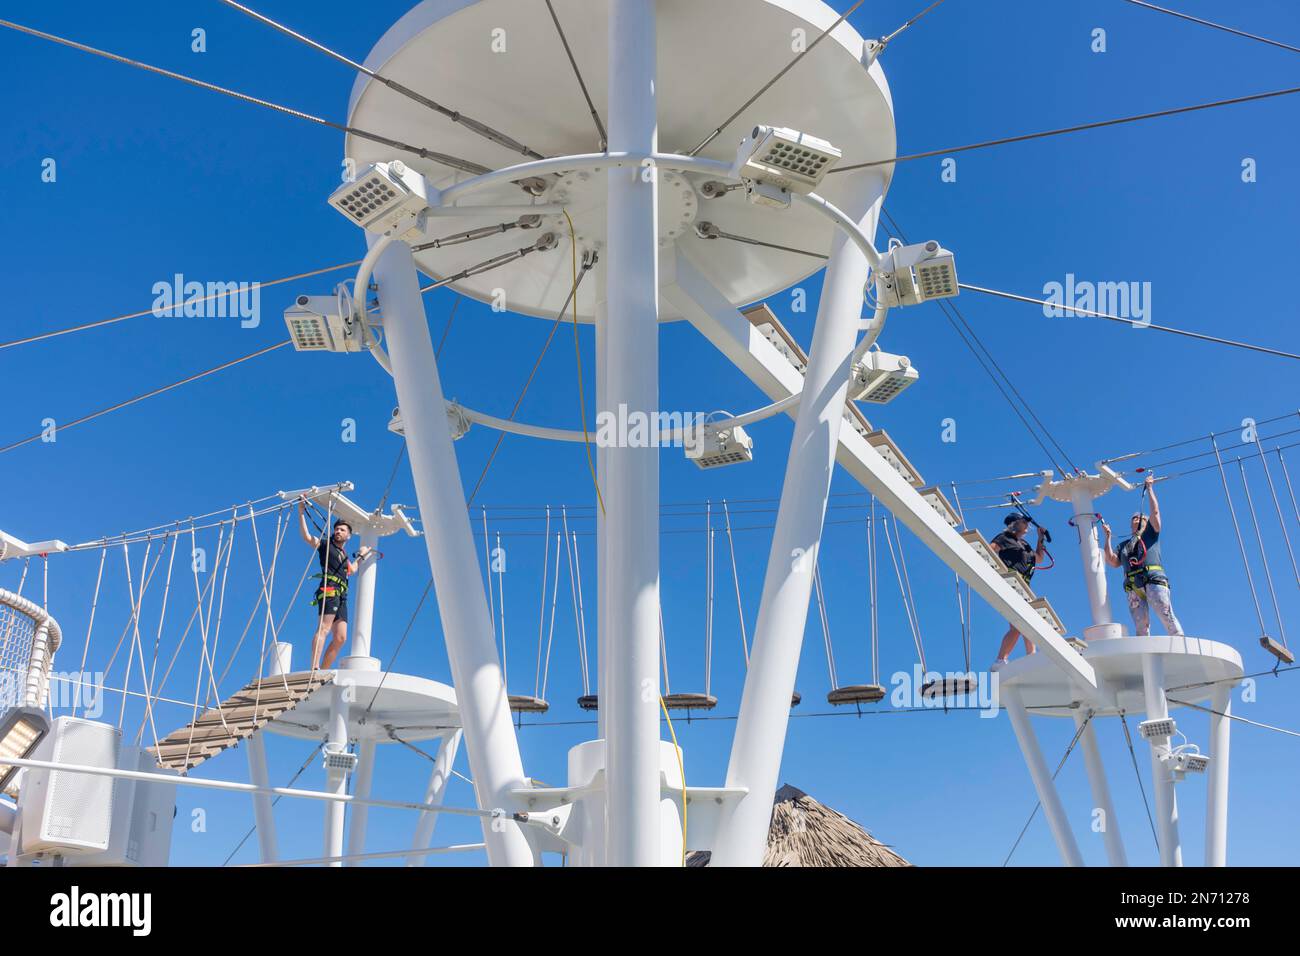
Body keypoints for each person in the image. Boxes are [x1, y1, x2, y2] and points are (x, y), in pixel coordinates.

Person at [1102, 474, 1184, 636]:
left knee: (1167, 616)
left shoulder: (1150, 534)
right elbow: (1112, 561)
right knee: (1141, 627)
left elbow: (1154, 512)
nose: (1136, 519)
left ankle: (1179, 640)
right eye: (1133, 518)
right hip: (1134, 586)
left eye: (1139, 517)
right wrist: (1108, 538)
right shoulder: (1124, 545)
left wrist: (1150, 489)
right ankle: (1146, 654)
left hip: (1153, 580)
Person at [298, 497, 371, 670]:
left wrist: (362, 555)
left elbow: (351, 570)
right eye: (337, 529)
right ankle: (315, 666)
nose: (338, 531)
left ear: (348, 535)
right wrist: (301, 512)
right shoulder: (326, 545)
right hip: (329, 589)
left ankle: (323, 670)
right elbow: (307, 537)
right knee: (324, 628)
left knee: (340, 638)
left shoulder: (343, 554)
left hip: (342, 595)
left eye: (342, 530)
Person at [990, 512, 1048, 669]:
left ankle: (1032, 656)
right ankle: (1000, 660)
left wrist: (1040, 539)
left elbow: (1039, 558)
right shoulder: (1004, 538)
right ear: (1015, 524)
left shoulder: (1024, 544)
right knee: (1019, 625)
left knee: (1027, 623)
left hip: (1024, 588)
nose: (1027, 524)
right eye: (1024, 522)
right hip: (1012, 585)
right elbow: (989, 551)